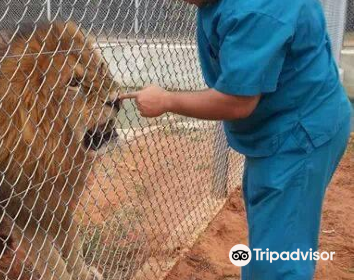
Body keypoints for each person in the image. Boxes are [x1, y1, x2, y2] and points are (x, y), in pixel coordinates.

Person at [120, 0, 352, 279]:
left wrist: (167, 100)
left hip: (299, 134)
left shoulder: (254, 11)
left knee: (279, 259)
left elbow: (237, 103)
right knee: (272, 228)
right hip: (287, 122)